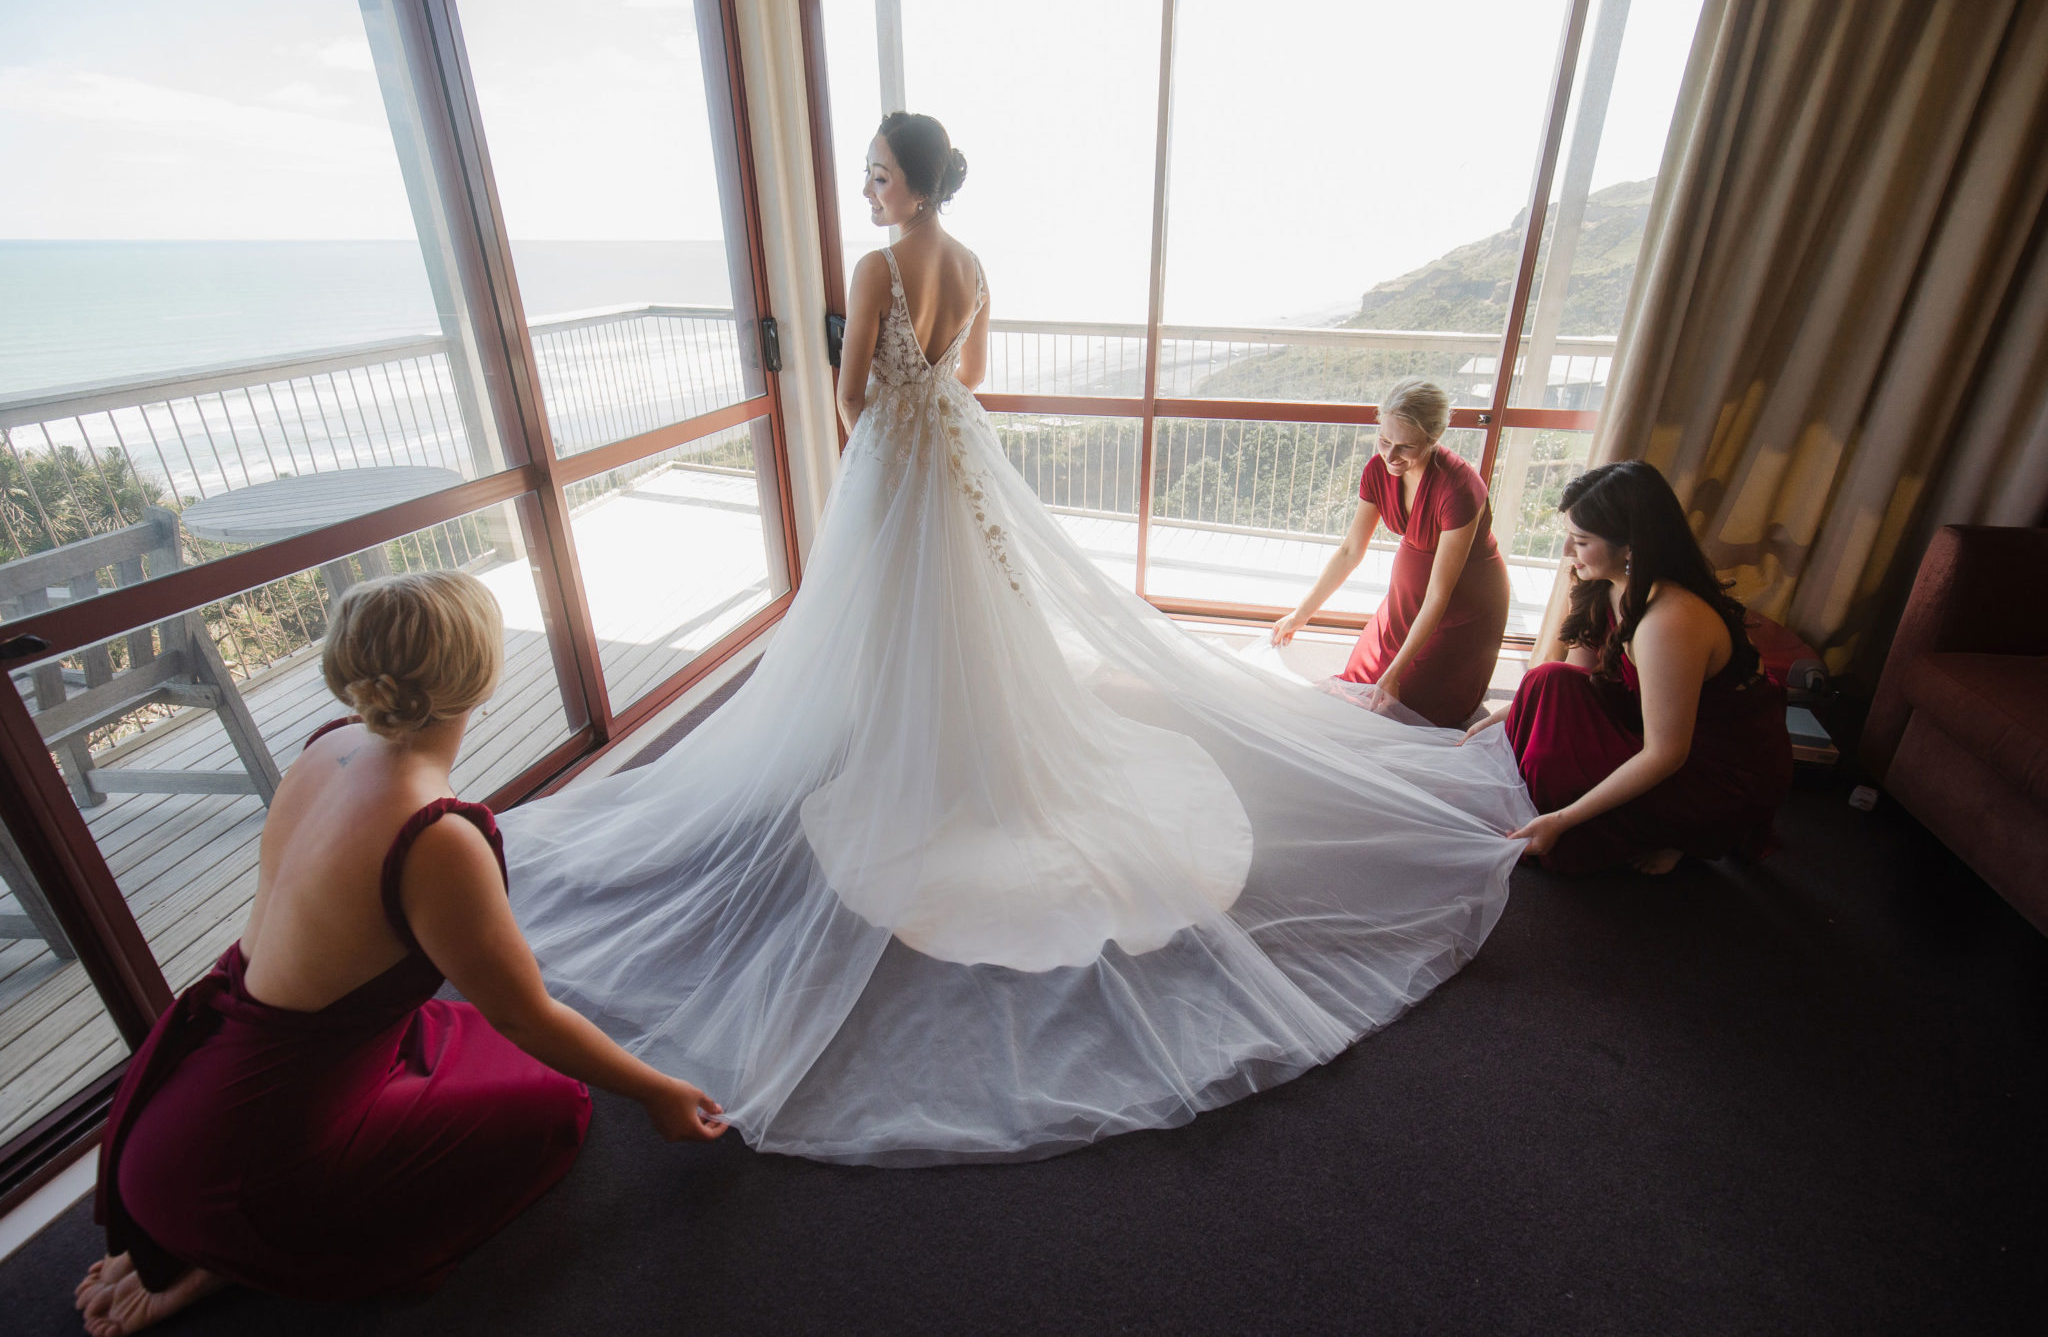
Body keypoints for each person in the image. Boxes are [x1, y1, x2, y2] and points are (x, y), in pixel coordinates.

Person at [500, 112, 1534, 1168]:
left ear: (912, 185)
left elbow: (850, 393)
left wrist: (884, 460)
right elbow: (969, 375)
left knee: (895, 624)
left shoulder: (874, 266)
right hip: (959, 460)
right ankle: (963, 757)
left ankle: (912, 762)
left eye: (877, 178)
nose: (867, 195)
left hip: (900, 469)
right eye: (866, 180)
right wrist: (933, 420)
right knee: (971, 623)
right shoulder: (974, 261)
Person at [75, 572, 725, 1337]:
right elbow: (529, 1017)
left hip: (181, 1101)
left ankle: (198, 1226)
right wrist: (656, 1092)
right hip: (248, 1156)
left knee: (455, 1035)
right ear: (480, 681)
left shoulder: (329, 745)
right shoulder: (438, 837)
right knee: (556, 1103)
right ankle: (230, 1254)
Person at [1462, 461, 1793, 875]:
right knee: (1545, 680)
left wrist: (1564, 818)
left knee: (1555, 783)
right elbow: (1577, 675)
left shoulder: (1670, 620)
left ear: (1630, 547)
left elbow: (1666, 754)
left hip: (1709, 768)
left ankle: (1679, 835)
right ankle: (1577, 812)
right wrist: (1509, 715)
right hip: (1647, 725)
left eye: (1580, 541)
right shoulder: (1603, 581)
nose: (1566, 552)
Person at [1271, 379, 1512, 728]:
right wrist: (1301, 614)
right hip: (1408, 596)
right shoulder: (1377, 469)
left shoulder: (1458, 487)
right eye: (1384, 441)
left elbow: (1440, 594)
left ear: (1433, 440)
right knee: (1360, 686)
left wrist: (1396, 671)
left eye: (1405, 447)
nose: (1391, 456)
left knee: (1404, 708)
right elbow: (1350, 550)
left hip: (1464, 602)